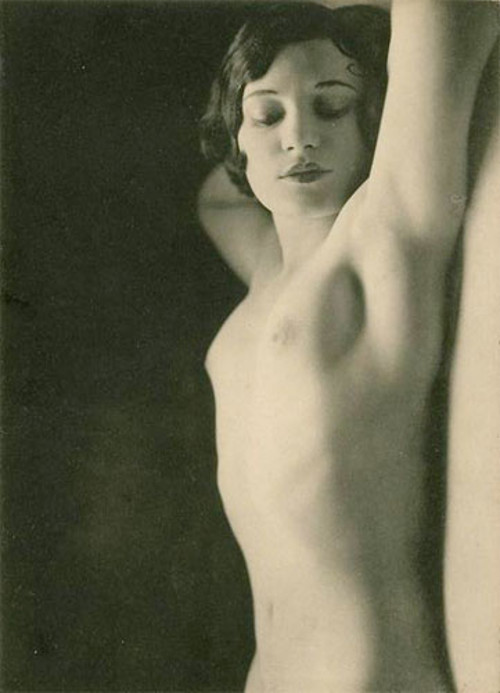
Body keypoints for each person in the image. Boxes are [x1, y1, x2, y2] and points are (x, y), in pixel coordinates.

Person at [198, 1, 498, 691]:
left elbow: (440, 18)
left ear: (371, 123)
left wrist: (347, 23)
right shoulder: (266, 268)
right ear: (237, 138)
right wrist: (294, 56)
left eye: (331, 107)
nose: (300, 137)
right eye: (268, 115)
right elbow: (216, 196)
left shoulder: (381, 240)